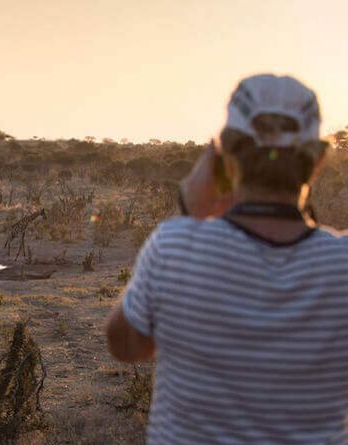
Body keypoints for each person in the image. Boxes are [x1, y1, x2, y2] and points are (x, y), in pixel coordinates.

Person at [105, 73, 348, 444]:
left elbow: (126, 346)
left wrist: (191, 214)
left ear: (226, 158)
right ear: (316, 163)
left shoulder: (176, 246)